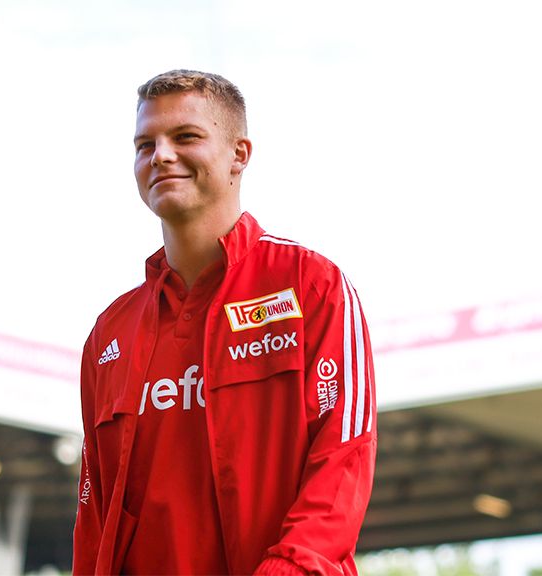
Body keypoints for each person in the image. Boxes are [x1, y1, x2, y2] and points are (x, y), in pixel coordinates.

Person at [73, 69, 377, 576]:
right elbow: (93, 510)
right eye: (145, 144)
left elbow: (345, 457)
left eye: (185, 136)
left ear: (239, 154)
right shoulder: (110, 332)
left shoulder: (311, 286)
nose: (161, 155)